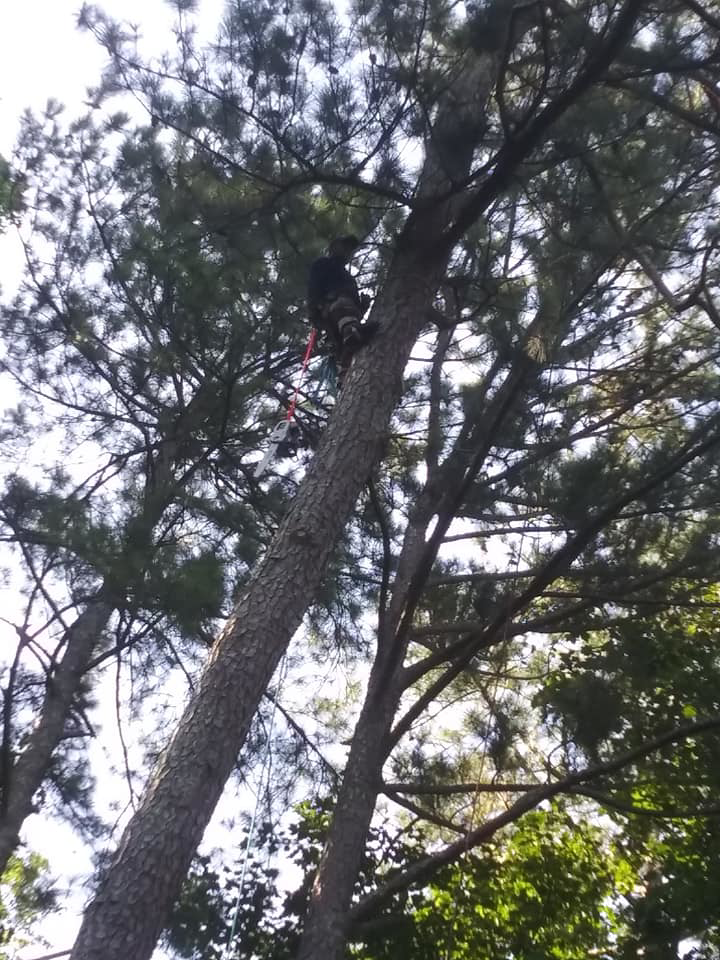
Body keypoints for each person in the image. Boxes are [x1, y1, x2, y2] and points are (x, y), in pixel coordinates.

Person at [307, 235, 376, 381]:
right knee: (343, 304)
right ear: (333, 248)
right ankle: (351, 333)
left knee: (343, 347)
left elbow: (354, 311)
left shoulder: (349, 279)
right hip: (331, 309)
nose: (347, 251)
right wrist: (315, 311)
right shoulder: (323, 264)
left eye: (349, 249)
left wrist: (363, 305)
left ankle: (344, 375)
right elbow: (313, 288)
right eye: (344, 247)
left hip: (343, 318)